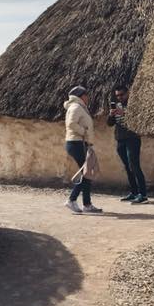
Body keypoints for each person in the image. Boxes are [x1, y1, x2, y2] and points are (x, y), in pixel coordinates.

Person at [64, 85, 102, 214]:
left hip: (80, 143)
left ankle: (87, 204)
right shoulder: (76, 107)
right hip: (77, 143)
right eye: (86, 95)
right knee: (86, 172)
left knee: (87, 172)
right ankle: (72, 199)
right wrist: (84, 132)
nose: (88, 97)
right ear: (80, 96)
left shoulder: (80, 107)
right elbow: (70, 123)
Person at [107, 84, 148, 204]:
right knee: (127, 167)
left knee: (134, 166)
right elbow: (110, 124)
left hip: (132, 139)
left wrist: (125, 113)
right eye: (117, 96)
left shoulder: (134, 105)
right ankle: (134, 192)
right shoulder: (117, 106)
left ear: (127, 93)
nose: (119, 97)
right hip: (120, 139)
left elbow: (140, 120)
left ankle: (143, 194)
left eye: (121, 95)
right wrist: (111, 115)